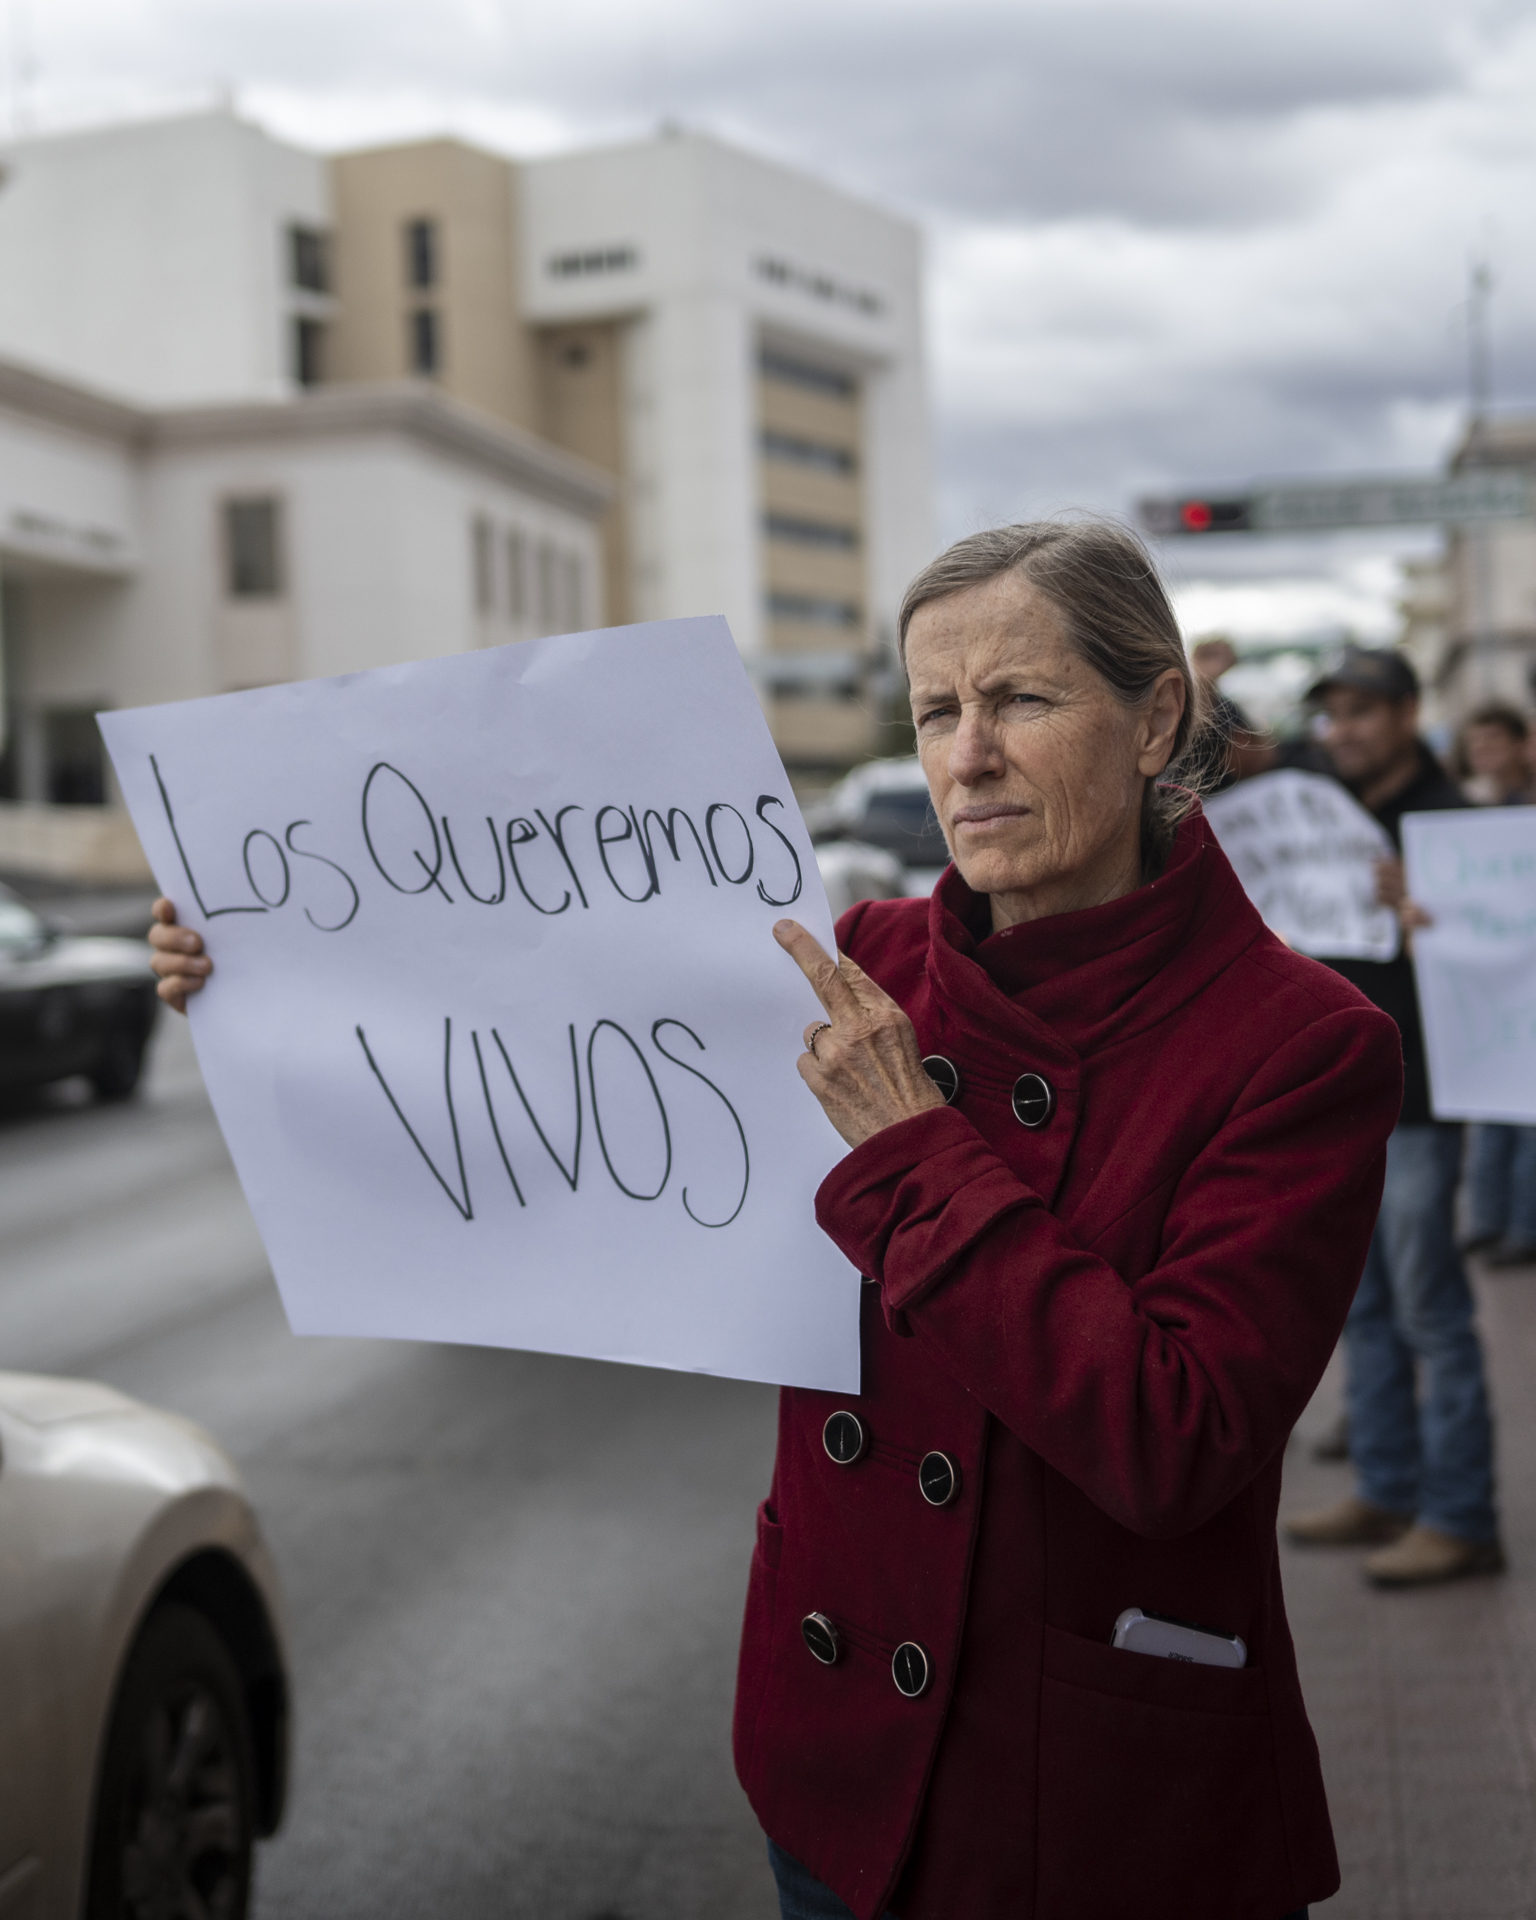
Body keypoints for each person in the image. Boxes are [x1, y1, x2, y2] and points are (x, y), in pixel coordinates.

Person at [151, 521, 1403, 1920]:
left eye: (1021, 699)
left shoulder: (1302, 1044)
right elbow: (545, 1062)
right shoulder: (862, 961)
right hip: (835, 1762)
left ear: (1155, 715)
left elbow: (1177, 1440)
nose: (967, 757)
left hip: (1093, 1802)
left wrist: (917, 1150)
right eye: (936, 710)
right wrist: (267, 974)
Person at [1284, 649, 1505, 1586]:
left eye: (1363, 711)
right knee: (1362, 1304)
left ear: (1410, 713)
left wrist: (1434, 916)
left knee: (1427, 1307)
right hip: (1341, 1104)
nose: (1343, 730)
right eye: (1332, 714)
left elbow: (1506, 954)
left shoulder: (1456, 824)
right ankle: (1385, 1484)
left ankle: (1460, 1516)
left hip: (1420, 1101)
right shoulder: (1319, 814)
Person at [1453, 703, 1536, 1267]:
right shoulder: (1467, 809)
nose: (1485, 753)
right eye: (1476, 743)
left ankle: (1521, 1227)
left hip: (1521, 978)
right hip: (1494, 980)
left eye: (1495, 742)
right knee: (1491, 1103)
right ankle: (1486, 1219)